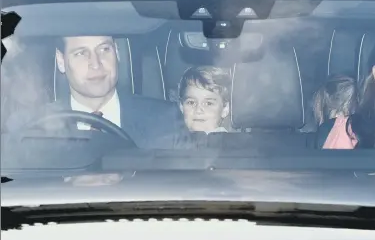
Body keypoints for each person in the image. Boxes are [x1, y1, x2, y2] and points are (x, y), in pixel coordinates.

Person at [6, 35, 179, 147]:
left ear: (117, 53)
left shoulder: (167, 120)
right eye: (81, 53)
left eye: (104, 49)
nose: (96, 63)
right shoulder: (29, 127)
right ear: (61, 60)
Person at [178, 66, 231, 134]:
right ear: (181, 107)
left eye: (208, 103)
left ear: (225, 109)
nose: (198, 110)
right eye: (191, 102)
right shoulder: (174, 141)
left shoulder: (229, 143)